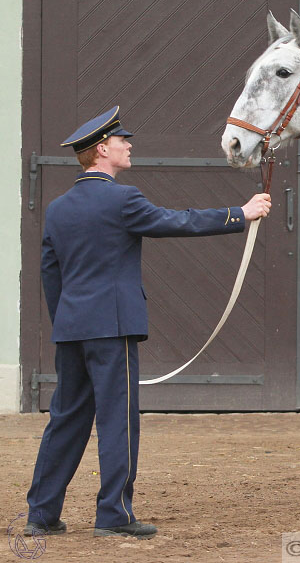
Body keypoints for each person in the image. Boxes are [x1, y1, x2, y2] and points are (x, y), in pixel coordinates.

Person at [24, 106, 271, 539]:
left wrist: (67, 320)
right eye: (122, 141)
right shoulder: (123, 198)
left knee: (65, 419)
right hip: (113, 328)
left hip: (72, 329)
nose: (129, 145)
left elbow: (51, 274)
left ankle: (41, 515)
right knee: (117, 420)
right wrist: (241, 213)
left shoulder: (58, 208)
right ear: (103, 150)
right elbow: (178, 222)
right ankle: (114, 516)